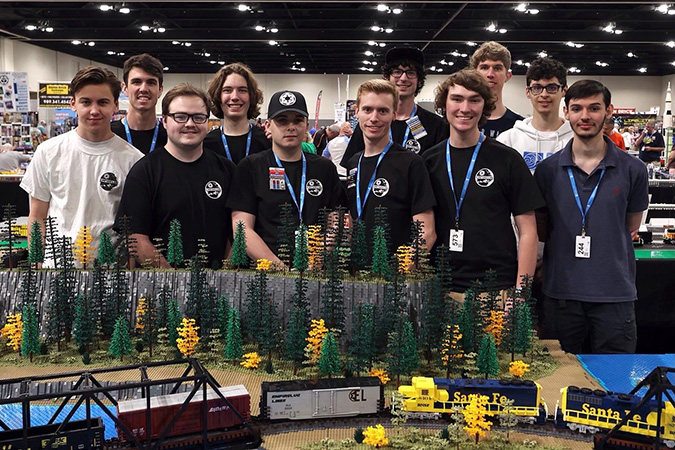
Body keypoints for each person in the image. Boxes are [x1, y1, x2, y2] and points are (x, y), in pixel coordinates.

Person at [534, 80, 649, 354]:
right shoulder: (547, 171)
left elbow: (632, 225)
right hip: (560, 296)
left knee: (615, 383)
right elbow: (541, 228)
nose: (585, 116)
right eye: (577, 109)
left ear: (608, 111)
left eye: (594, 108)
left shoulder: (633, 169)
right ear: (567, 112)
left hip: (615, 297)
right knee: (558, 382)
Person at [423, 69, 543, 293]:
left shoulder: (507, 159)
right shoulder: (429, 161)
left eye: (474, 100)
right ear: (444, 105)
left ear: (484, 105)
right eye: (457, 99)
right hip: (439, 289)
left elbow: (528, 232)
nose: (465, 108)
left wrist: (520, 293)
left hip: (496, 288)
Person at [21, 66, 143, 266]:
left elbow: (132, 228)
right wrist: (37, 265)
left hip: (110, 276)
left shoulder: (133, 159)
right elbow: (37, 216)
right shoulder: (48, 152)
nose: (94, 110)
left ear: (115, 105)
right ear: (73, 104)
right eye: (86, 102)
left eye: (103, 102)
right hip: (57, 272)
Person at [116, 84, 235, 269]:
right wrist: (172, 281)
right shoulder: (144, 172)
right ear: (164, 121)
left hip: (216, 288)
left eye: (198, 117)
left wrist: (224, 277)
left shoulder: (226, 169)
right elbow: (134, 237)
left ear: (207, 122)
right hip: (161, 289)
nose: (189, 124)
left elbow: (235, 233)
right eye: (180, 117)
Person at [227, 90, 346, 265]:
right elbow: (241, 228)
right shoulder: (251, 167)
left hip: (315, 270)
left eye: (297, 120)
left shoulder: (324, 168)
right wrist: (278, 269)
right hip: (264, 273)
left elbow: (336, 218)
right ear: (268, 126)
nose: (291, 126)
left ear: (306, 126)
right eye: (282, 120)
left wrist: (318, 258)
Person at [344, 79, 436, 256]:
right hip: (358, 273)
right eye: (367, 109)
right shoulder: (354, 163)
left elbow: (426, 233)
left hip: (397, 274)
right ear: (356, 112)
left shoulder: (411, 163)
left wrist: (403, 271)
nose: (374, 118)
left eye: (383, 111)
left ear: (394, 115)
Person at [340, 46, 448, 165]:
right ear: (388, 77)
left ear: (419, 80)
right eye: (397, 72)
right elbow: (352, 165)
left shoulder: (436, 125)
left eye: (410, 73)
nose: (403, 78)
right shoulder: (372, 123)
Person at [497, 57, 572, 172]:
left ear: (564, 91)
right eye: (537, 88)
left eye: (552, 88)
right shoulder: (508, 140)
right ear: (528, 92)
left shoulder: (575, 139)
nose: (544, 94)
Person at [203, 63, 270, 164]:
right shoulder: (205, 144)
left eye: (242, 90)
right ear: (218, 96)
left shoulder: (267, 142)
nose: (234, 97)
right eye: (227, 90)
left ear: (251, 96)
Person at [111, 54, 168, 155]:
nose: (143, 89)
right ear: (125, 88)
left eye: (151, 82)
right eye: (136, 82)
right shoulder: (108, 134)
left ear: (160, 90)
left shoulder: (171, 138)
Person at [469, 41, 524, 138]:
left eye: (497, 68)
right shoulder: (461, 122)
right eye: (484, 67)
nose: (490, 74)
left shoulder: (519, 126)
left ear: (507, 76)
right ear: (474, 74)